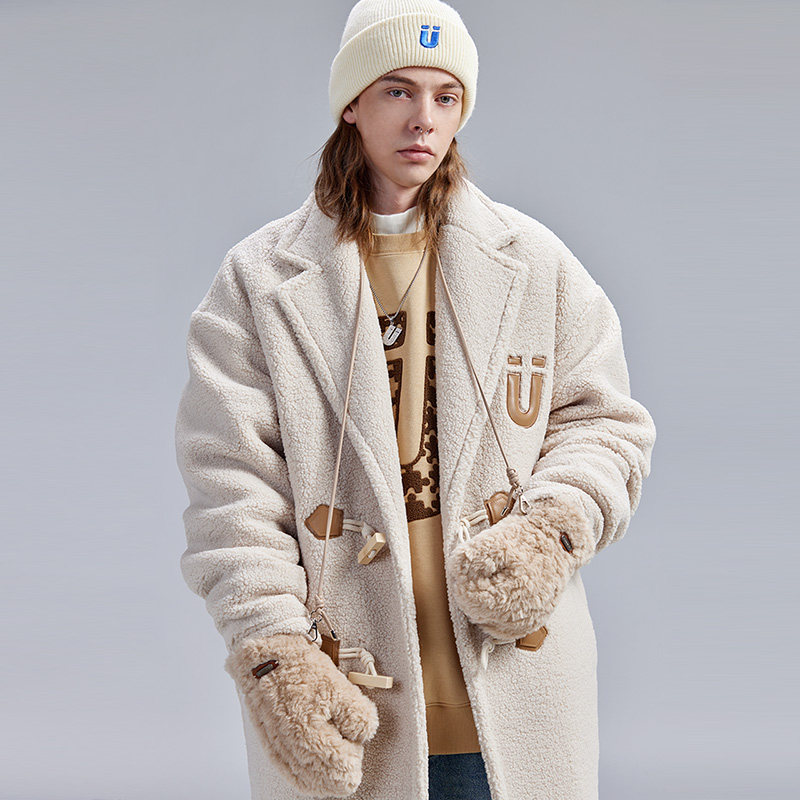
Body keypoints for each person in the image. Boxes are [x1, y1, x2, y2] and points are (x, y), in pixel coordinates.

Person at [174, 1, 657, 798]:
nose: (423, 119)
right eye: (397, 90)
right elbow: (231, 487)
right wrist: (275, 654)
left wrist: (546, 532)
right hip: (348, 699)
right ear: (352, 104)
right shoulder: (257, 283)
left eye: (445, 96)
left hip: (513, 685)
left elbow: (606, 424)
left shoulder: (537, 263)